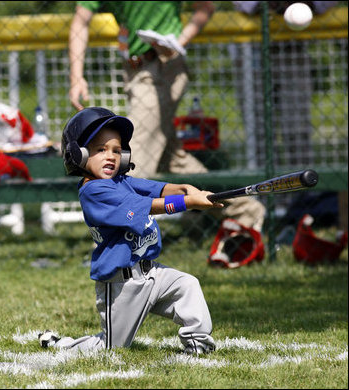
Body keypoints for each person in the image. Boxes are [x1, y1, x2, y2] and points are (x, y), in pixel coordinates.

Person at [38, 107, 223, 354]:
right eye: (101, 150)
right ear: (78, 154)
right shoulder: (94, 192)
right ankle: (62, 345)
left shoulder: (122, 181)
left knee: (187, 285)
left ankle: (197, 342)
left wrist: (188, 190)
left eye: (116, 150)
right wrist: (188, 202)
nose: (111, 156)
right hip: (121, 284)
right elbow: (149, 206)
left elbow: (158, 189)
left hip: (151, 273)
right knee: (110, 348)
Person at [69, 0, 266, 232]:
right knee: (172, 159)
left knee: (132, 156)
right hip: (133, 70)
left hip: (164, 68)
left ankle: (117, 239)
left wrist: (178, 44)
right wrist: (76, 77)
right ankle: (246, 209)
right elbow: (81, 20)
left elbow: (206, 7)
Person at [231, 1, 338, 168]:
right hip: (251, 49)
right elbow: (244, 6)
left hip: (293, 49)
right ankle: (263, 191)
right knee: (259, 132)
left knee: (296, 128)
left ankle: (301, 188)